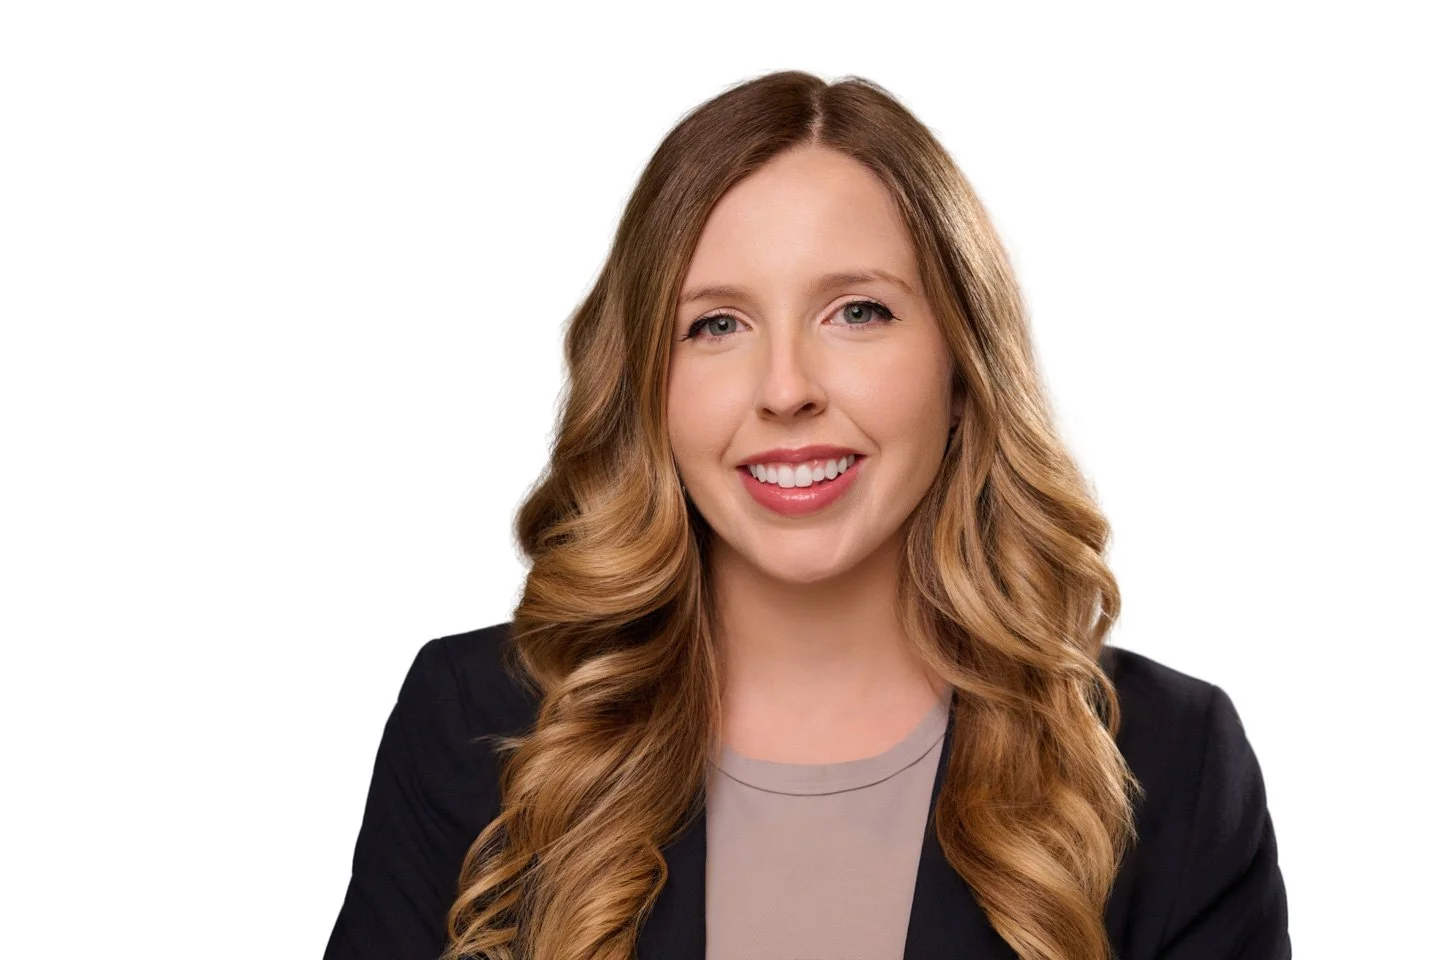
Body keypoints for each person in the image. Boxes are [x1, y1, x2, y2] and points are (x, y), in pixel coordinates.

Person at [323, 70, 1290, 960]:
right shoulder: (473, 721)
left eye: (857, 312)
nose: (785, 389)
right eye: (717, 325)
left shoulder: (1169, 759)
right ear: (648, 388)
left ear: (962, 364)